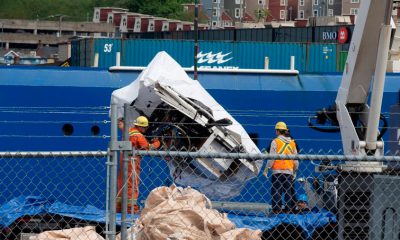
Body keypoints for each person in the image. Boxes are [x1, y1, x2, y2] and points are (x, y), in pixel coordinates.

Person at [117, 116, 161, 213]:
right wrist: (157, 142)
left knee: (121, 184)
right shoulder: (138, 135)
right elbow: (148, 148)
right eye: (145, 127)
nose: (145, 129)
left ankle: (119, 208)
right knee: (132, 185)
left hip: (123, 159)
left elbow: (123, 127)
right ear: (141, 127)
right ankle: (131, 210)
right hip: (132, 161)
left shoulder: (128, 131)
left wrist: (121, 123)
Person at [267, 121, 299, 214]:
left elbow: (271, 157)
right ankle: (288, 210)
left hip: (277, 171)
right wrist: (294, 170)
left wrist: (267, 168)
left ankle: (277, 210)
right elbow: (296, 160)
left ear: (277, 131)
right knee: (288, 191)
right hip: (288, 171)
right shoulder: (292, 143)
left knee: (276, 191)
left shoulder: (275, 141)